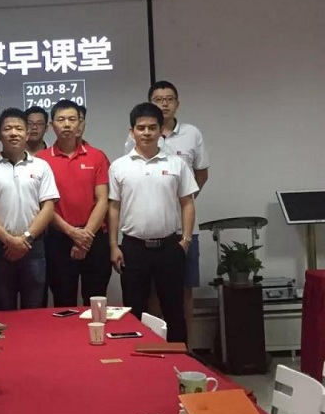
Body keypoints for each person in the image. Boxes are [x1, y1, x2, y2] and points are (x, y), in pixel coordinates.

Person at [124, 81, 209, 337]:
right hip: (145, 235)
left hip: (181, 230)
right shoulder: (136, 137)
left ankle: (186, 348)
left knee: (182, 292)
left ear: (177, 104)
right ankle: (154, 342)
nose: (164, 103)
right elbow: (133, 174)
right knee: (150, 294)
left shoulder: (191, 133)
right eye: (158, 99)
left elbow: (201, 174)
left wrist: (178, 202)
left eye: (169, 99)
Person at [109, 103, 198, 343]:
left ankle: (180, 357)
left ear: (160, 131)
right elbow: (114, 207)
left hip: (169, 247)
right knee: (134, 311)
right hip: (133, 248)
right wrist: (113, 245)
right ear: (132, 132)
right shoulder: (119, 166)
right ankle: (135, 357)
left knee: (174, 310)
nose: (146, 132)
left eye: (152, 127)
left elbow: (187, 203)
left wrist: (185, 241)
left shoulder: (176, 164)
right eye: (141, 128)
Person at [0, 108, 58, 310]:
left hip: (33, 246)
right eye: (8, 129)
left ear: (27, 133)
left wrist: (26, 238)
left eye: (19, 128)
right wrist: (9, 240)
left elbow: (48, 207)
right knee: (2, 310)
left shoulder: (41, 166)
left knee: (35, 309)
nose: (13, 133)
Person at [38, 101, 111, 307]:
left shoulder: (97, 156)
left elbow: (102, 200)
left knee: (96, 301)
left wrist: (84, 237)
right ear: (51, 125)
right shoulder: (41, 160)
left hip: (94, 237)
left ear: (80, 123)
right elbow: (44, 205)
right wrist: (72, 233)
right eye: (61, 120)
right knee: (64, 302)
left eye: (72, 119)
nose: (67, 124)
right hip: (59, 239)